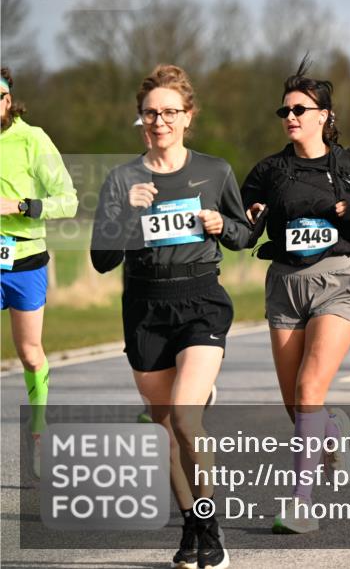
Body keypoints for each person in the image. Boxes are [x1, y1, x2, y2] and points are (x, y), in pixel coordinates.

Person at [90, 65, 251, 569]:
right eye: (150, 113)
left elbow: (245, 236)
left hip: (200, 299)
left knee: (185, 416)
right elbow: (101, 259)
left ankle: (211, 524)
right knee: (166, 429)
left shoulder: (215, 170)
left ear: (188, 117)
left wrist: (222, 223)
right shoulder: (122, 179)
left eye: (169, 112)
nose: (159, 121)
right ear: (140, 119)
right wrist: (123, 216)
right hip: (144, 308)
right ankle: (191, 525)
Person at [241, 59, 350, 532]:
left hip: (336, 279)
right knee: (295, 403)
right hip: (285, 286)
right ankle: (332, 432)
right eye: (285, 110)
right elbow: (245, 232)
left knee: (310, 390)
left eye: (300, 109)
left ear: (324, 115)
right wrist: (247, 218)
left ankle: (300, 503)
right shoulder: (269, 170)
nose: (290, 116)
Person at [0, 67, 78, 478]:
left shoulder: (33, 139)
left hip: (25, 259)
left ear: (8, 100)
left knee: (30, 352)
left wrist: (19, 206)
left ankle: (38, 427)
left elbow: (68, 200)